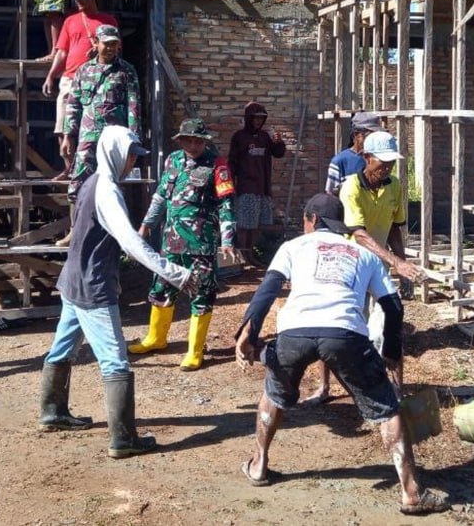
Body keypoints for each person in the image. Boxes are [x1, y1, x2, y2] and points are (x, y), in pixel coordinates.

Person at [233, 193, 450, 516]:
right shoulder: (365, 254)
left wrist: (247, 334)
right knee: (386, 409)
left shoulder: (292, 247)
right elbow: (393, 306)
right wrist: (391, 352)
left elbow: (267, 290)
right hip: (346, 333)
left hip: (295, 332)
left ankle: (259, 466)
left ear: (312, 219)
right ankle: (411, 492)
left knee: (273, 395)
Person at [37, 125, 196, 457]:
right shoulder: (107, 192)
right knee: (116, 362)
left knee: (62, 348)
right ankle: (123, 439)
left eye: (135, 157)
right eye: (130, 156)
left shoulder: (90, 182)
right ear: (114, 154)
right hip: (93, 287)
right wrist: (175, 273)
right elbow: (130, 243)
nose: (133, 162)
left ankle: (52, 411)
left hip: (73, 280)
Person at [316, 130, 421, 401]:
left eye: (391, 162)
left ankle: (395, 390)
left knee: (389, 326)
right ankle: (323, 387)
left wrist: (402, 266)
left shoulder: (393, 185)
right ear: (366, 157)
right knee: (338, 324)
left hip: (379, 268)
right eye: (382, 162)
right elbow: (359, 234)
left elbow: (395, 228)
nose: (387, 167)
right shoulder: (351, 187)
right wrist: (395, 261)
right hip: (351, 268)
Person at [131, 118, 236, 371]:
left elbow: (226, 203)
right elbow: (161, 196)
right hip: (170, 241)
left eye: (198, 141)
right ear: (180, 140)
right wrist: (146, 225)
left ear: (205, 141)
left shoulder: (218, 165)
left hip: (201, 244)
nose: (193, 145)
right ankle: (156, 338)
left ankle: (194, 351)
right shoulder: (173, 160)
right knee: (161, 288)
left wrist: (227, 239)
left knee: (201, 294)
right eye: (188, 140)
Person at [41, 0, 117, 175]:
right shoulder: (70, 21)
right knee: (63, 125)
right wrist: (51, 76)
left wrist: (99, 52)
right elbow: (62, 52)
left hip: (98, 79)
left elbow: (116, 49)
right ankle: (70, 169)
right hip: (70, 78)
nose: (78, 1)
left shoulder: (108, 21)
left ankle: (93, 169)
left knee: (94, 125)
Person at [62, 25, 140, 204]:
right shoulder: (83, 70)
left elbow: (134, 106)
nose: (111, 48)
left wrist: (133, 140)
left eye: (114, 44)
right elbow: (73, 104)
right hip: (88, 135)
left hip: (114, 137)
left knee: (114, 182)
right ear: (96, 43)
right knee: (79, 183)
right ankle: (80, 217)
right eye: (107, 44)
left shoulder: (126, 71)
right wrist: (68, 136)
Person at [228, 102, 287, 266]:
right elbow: (232, 163)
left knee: (258, 225)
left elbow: (278, 153)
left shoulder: (265, 137)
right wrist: (231, 185)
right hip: (246, 188)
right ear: (249, 118)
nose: (258, 121)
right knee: (244, 225)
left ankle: (252, 255)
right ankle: (240, 257)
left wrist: (279, 143)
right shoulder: (239, 137)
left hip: (263, 188)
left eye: (261, 119)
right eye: (255, 118)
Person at [326, 111, 383, 195]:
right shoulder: (340, 161)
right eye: (370, 135)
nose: (374, 139)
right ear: (356, 135)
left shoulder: (379, 158)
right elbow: (331, 196)